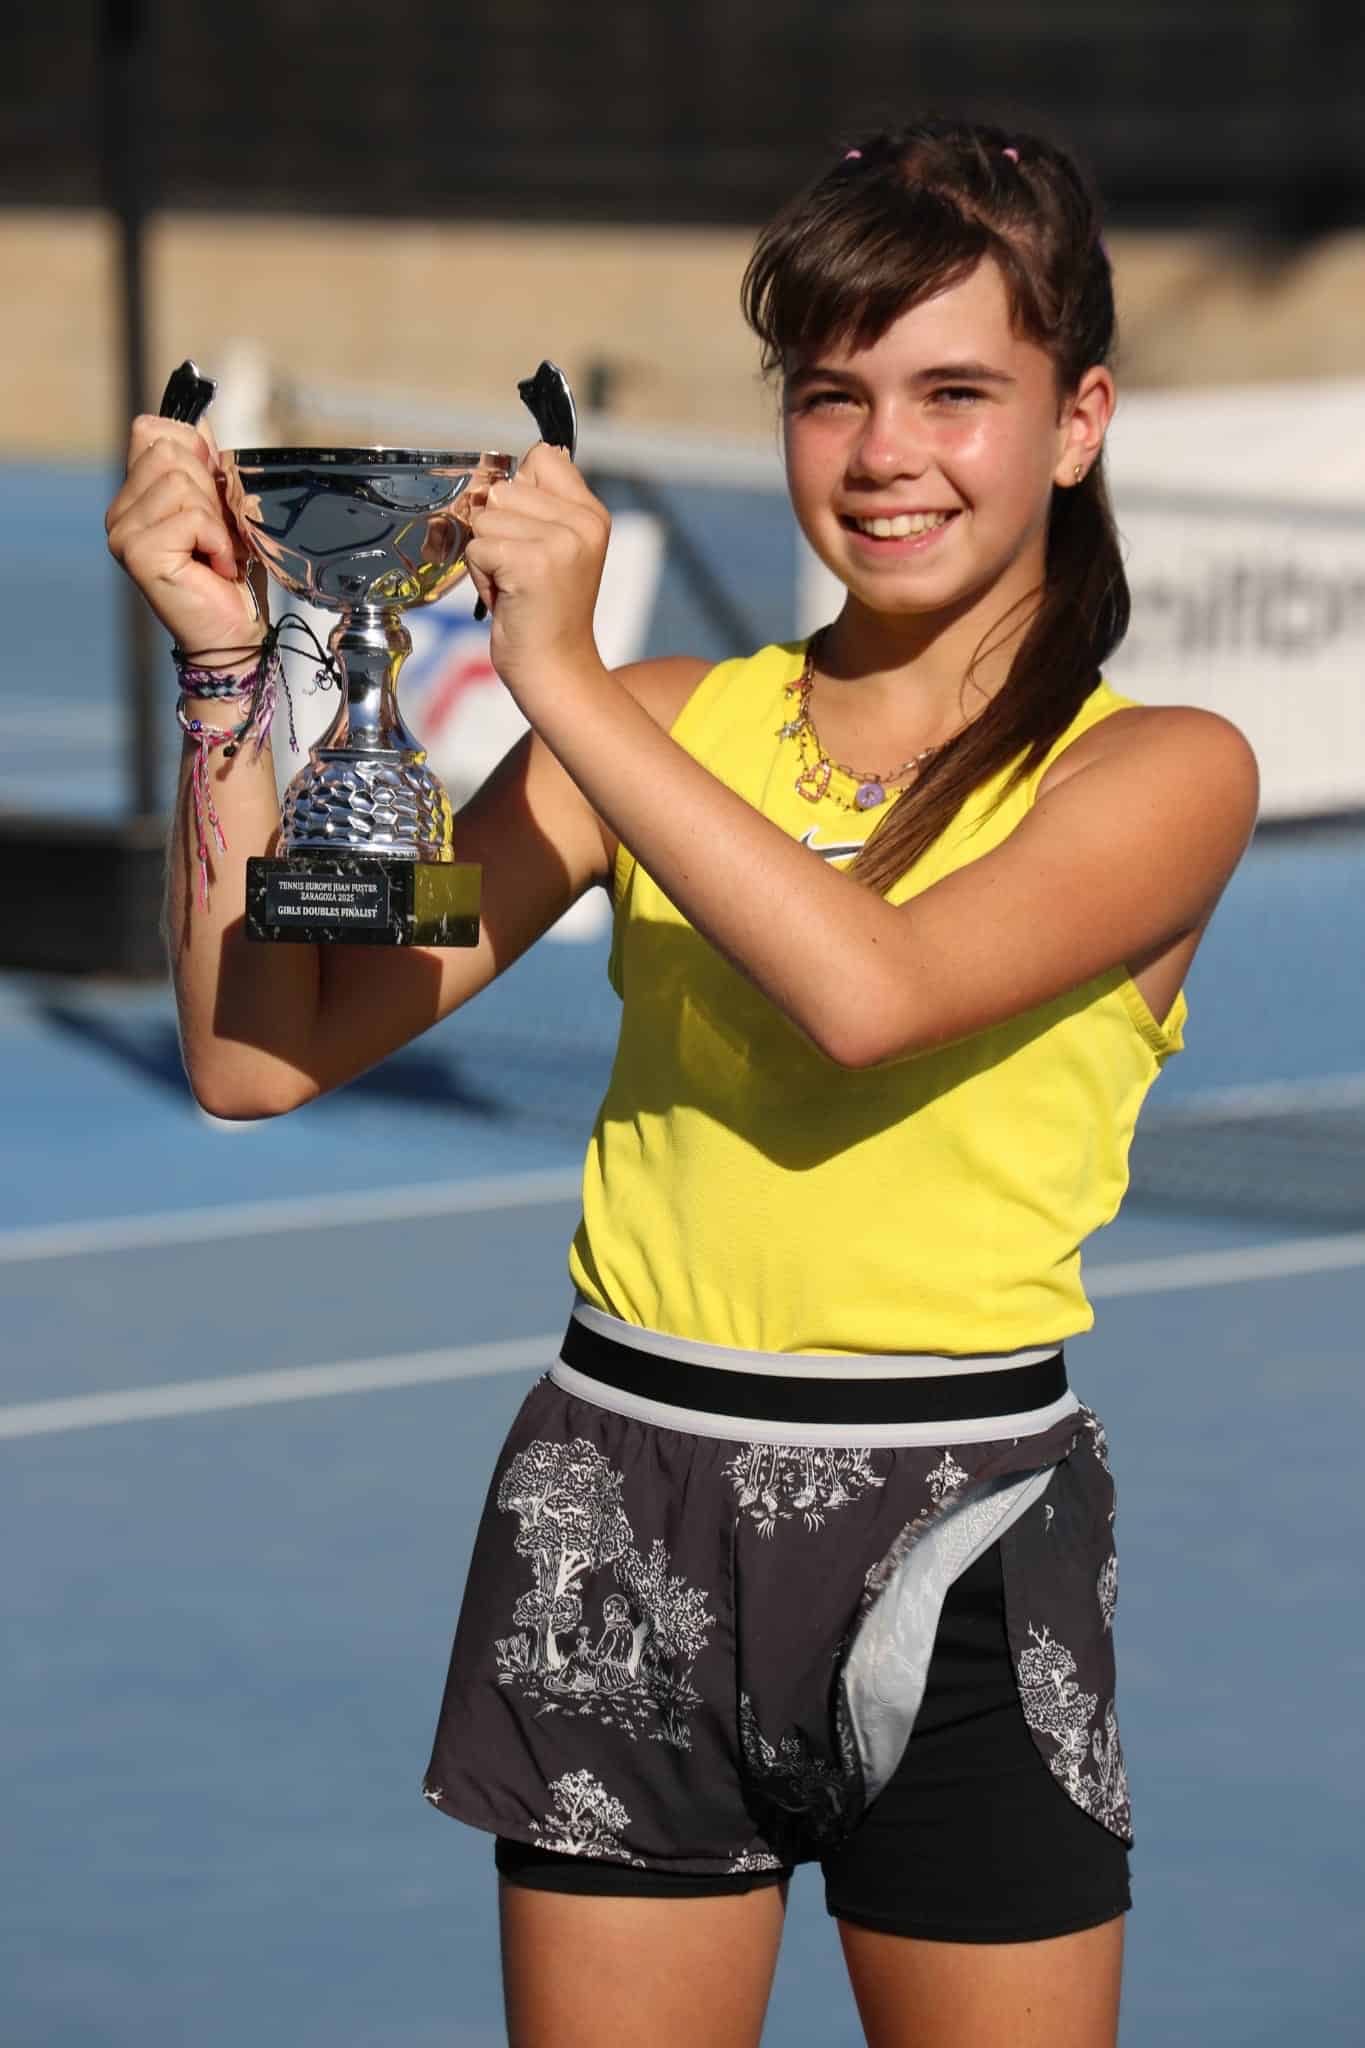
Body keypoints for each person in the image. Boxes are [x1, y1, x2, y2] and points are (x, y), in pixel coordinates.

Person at [106, 117, 1258, 2048]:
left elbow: (868, 995)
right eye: (834, 397)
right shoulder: (654, 725)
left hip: (959, 1534)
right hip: (611, 1511)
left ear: (1079, 420)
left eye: (956, 393)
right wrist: (228, 664)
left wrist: (558, 681)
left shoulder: (1157, 774)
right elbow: (256, 1051)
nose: (887, 456)